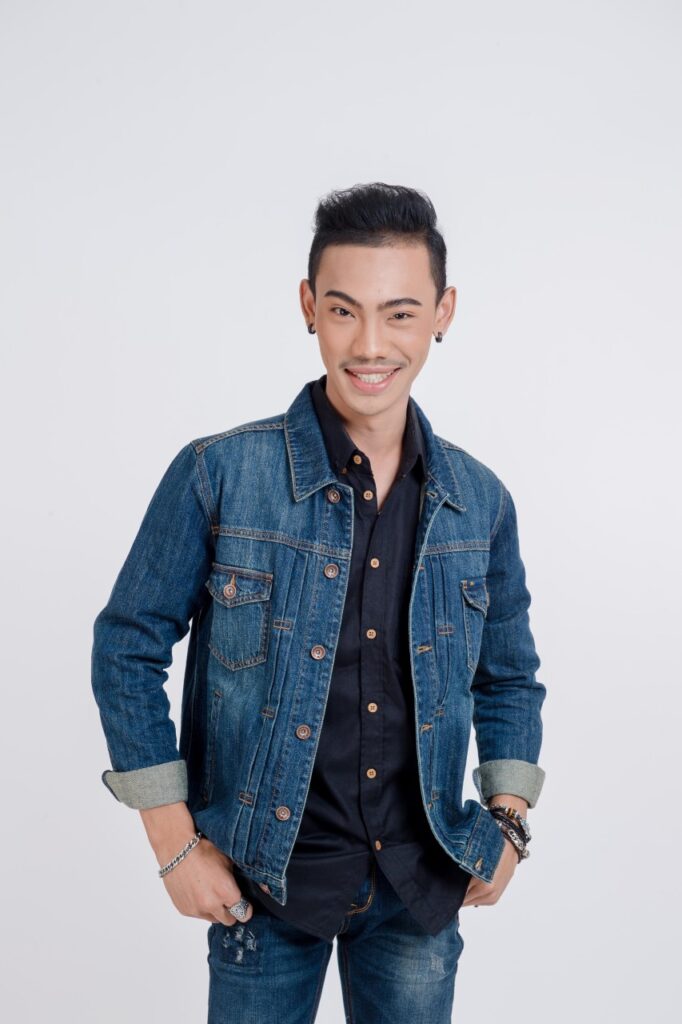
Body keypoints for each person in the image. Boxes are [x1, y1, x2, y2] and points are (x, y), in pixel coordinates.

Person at [91, 181, 547, 1023]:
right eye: (344, 311)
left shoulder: (479, 501)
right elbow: (125, 646)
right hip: (261, 884)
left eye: (400, 314)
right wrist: (173, 842)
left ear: (443, 313)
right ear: (309, 307)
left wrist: (509, 824)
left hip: (419, 885)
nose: (370, 344)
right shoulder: (220, 474)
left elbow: (509, 676)